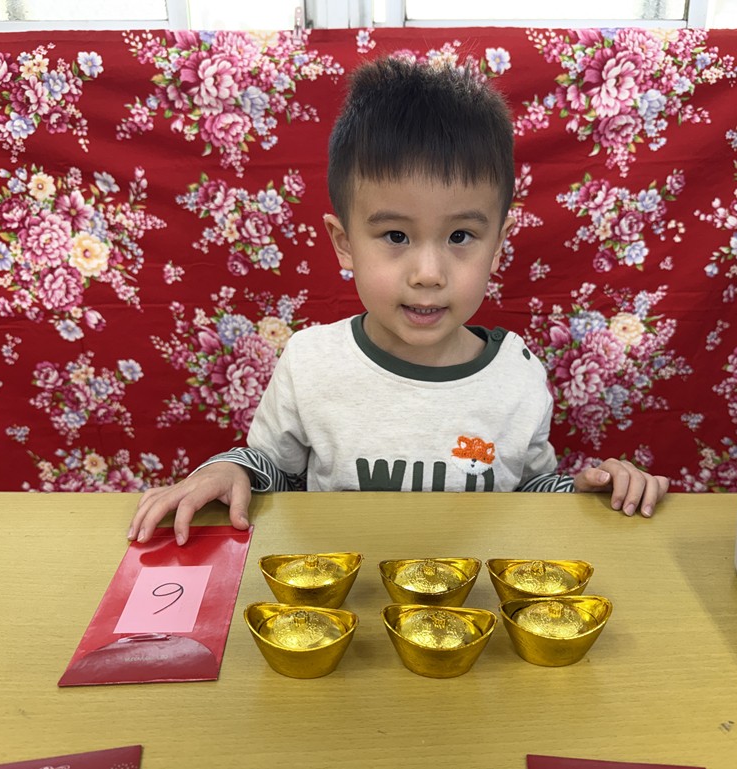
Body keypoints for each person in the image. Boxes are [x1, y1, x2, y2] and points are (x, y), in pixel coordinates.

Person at [129, 56, 670, 546]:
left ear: (498, 246)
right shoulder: (311, 362)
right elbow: (274, 472)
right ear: (345, 243)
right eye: (395, 236)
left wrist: (589, 489)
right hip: (343, 603)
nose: (428, 274)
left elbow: (530, 490)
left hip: (470, 608)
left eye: (460, 236)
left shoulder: (518, 374)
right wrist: (228, 471)